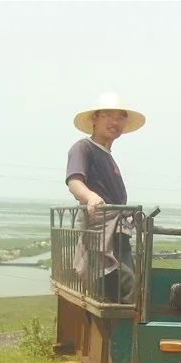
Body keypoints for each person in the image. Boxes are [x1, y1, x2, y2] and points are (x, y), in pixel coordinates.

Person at [65, 92, 145, 303]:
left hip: (118, 232)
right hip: (102, 233)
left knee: (128, 287)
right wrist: (90, 197)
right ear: (94, 118)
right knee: (121, 288)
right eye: (108, 115)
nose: (115, 122)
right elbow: (74, 182)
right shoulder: (83, 148)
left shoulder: (107, 155)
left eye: (120, 117)